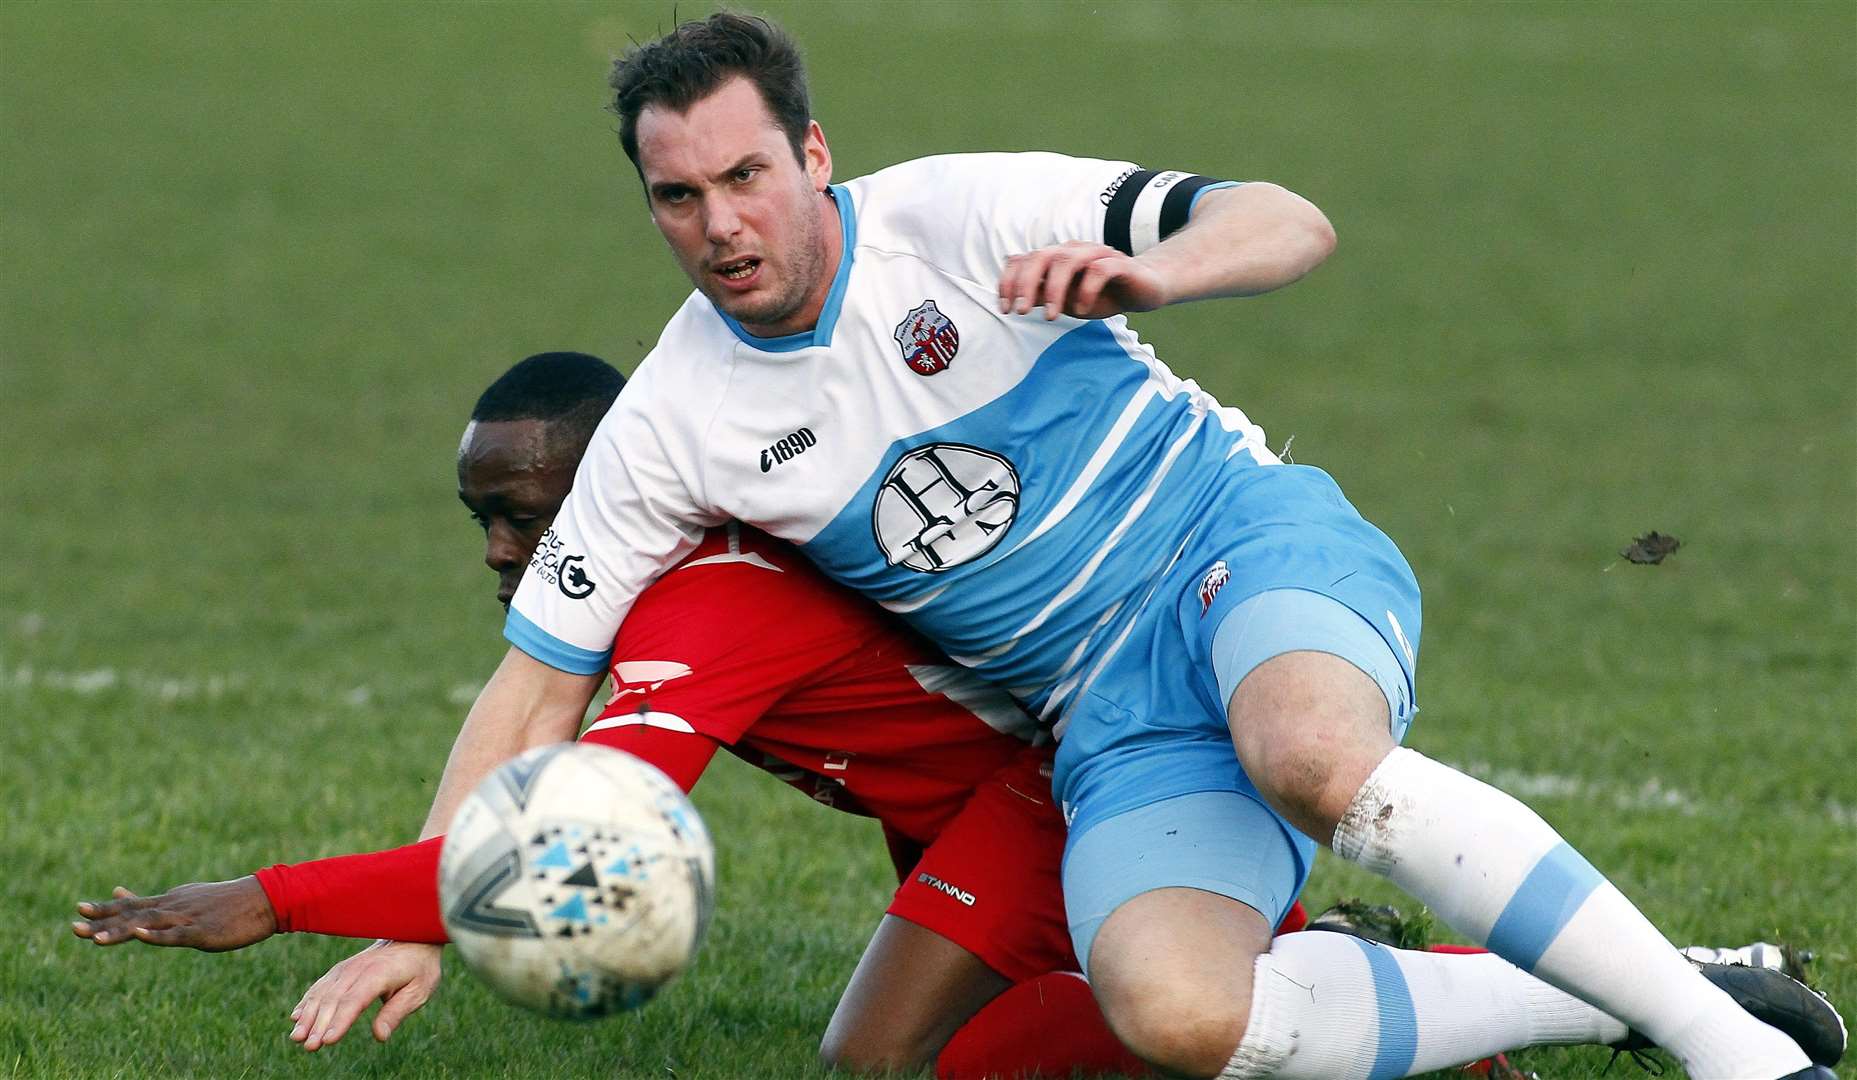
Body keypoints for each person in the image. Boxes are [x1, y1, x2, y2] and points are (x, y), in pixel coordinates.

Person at [401, 14, 1840, 1080]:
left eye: (747, 176)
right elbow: (532, 691)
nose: (723, 225)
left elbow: (1287, 219)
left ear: (812, 153)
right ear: (647, 204)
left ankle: (1735, 1056)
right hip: (1106, 718)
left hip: (1237, 547)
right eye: (679, 197)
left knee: (1311, 761)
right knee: (1184, 1014)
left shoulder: (954, 216)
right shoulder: (671, 421)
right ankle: (1614, 994)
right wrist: (424, 908)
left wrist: (1159, 272)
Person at [71, 351, 1154, 1079]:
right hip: (978, 798)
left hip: (1073, 783)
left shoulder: (712, 599)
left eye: (524, 517)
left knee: (879, 1057)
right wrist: (415, 925)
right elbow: (520, 723)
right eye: (482, 517)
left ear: (611, 489)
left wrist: (270, 899)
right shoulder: (642, 571)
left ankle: (1296, 1011)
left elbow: (566, 848)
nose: (499, 548)